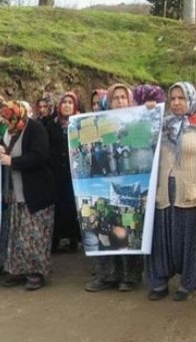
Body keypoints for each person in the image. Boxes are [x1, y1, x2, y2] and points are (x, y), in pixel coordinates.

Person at [145, 82, 196, 301]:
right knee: (162, 240)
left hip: (193, 194)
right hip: (164, 192)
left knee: (190, 242)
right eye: (173, 98)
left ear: (191, 99)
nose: (177, 103)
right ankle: (159, 281)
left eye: (182, 98)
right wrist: (147, 111)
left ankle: (188, 284)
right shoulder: (162, 124)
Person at [85, 84, 141, 292]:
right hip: (102, 184)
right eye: (115, 98)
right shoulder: (98, 126)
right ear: (108, 102)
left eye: (123, 97)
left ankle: (128, 276)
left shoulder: (135, 123)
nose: (119, 101)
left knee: (126, 229)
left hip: (129, 186)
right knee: (104, 227)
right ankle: (105, 275)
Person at [0, 101, 56, 290]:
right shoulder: (9, 132)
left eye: (11, 118)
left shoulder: (35, 128)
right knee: (17, 233)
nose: (8, 122)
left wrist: (12, 161)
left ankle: (36, 272)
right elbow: (4, 150)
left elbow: (39, 155)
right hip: (16, 193)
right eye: (6, 119)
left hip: (35, 192)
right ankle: (18, 270)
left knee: (34, 235)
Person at [46, 91, 82, 251]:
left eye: (70, 102)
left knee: (73, 205)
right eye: (64, 102)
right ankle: (56, 238)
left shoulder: (80, 123)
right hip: (55, 173)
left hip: (74, 172)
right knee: (57, 206)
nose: (67, 105)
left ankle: (74, 238)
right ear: (59, 106)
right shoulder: (51, 124)